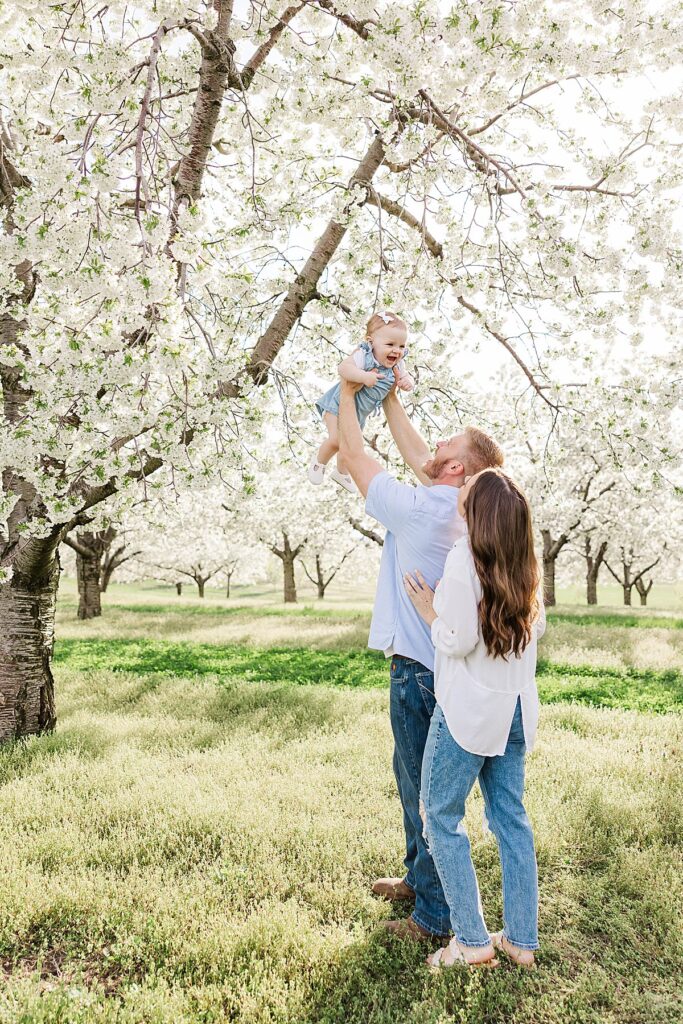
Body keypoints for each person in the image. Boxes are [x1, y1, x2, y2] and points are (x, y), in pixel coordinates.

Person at [337, 379, 504, 942]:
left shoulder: (420, 510)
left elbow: (356, 454)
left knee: (423, 791)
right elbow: (418, 457)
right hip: (436, 665)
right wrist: (387, 396)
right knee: (411, 779)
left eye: (443, 450)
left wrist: (347, 385)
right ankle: (418, 877)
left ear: (454, 470)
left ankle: (433, 916)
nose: (430, 452)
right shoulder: (462, 507)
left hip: (419, 668)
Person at [404, 469, 546, 969]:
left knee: (439, 815)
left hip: (468, 711)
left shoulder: (464, 559)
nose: (458, 502)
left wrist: (429, 610)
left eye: (466, 499)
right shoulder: (527, 562)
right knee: (510, 819)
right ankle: (521, 941)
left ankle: (471, 940)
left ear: (478, 516)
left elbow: (458, 639)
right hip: (513, 710)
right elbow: (534, 628)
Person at [308, 311, 414, 493]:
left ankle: (341, 473)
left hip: (358, 414)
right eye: (390, 344)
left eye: (401, 346)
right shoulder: (364, 356)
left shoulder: (397, 364)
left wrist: (407, 382)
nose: (397, 350)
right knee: (336, 440)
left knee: (350, 445)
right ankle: (318, 463)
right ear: (371, 342)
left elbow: (405, 376)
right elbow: (343, 368)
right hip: (337, 406)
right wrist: (363, 376)